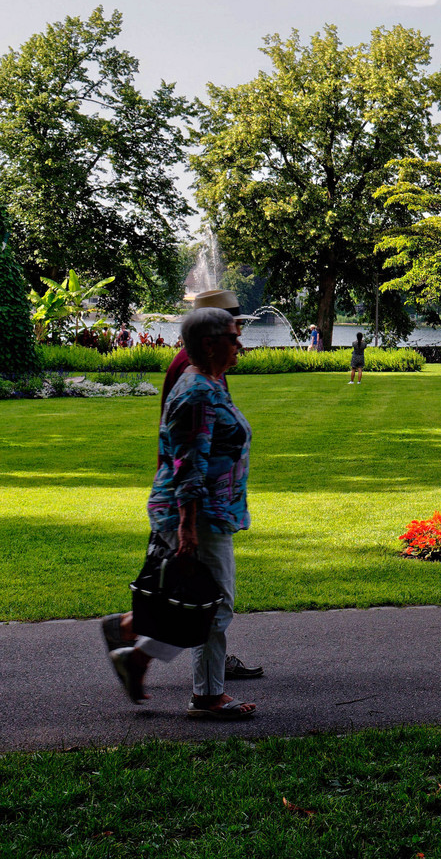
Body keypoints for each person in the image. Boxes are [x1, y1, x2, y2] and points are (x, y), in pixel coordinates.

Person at [103, 308, 259, 719]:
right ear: (209, 343)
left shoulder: (209, 383)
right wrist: (188, 529)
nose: (239, 342)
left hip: (209, 511)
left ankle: (139, 649)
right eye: (232, 335)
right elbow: (188, 464)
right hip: (197, 515)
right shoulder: (197, 392)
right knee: (216, 606)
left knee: (205, 603)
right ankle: (203, 695)